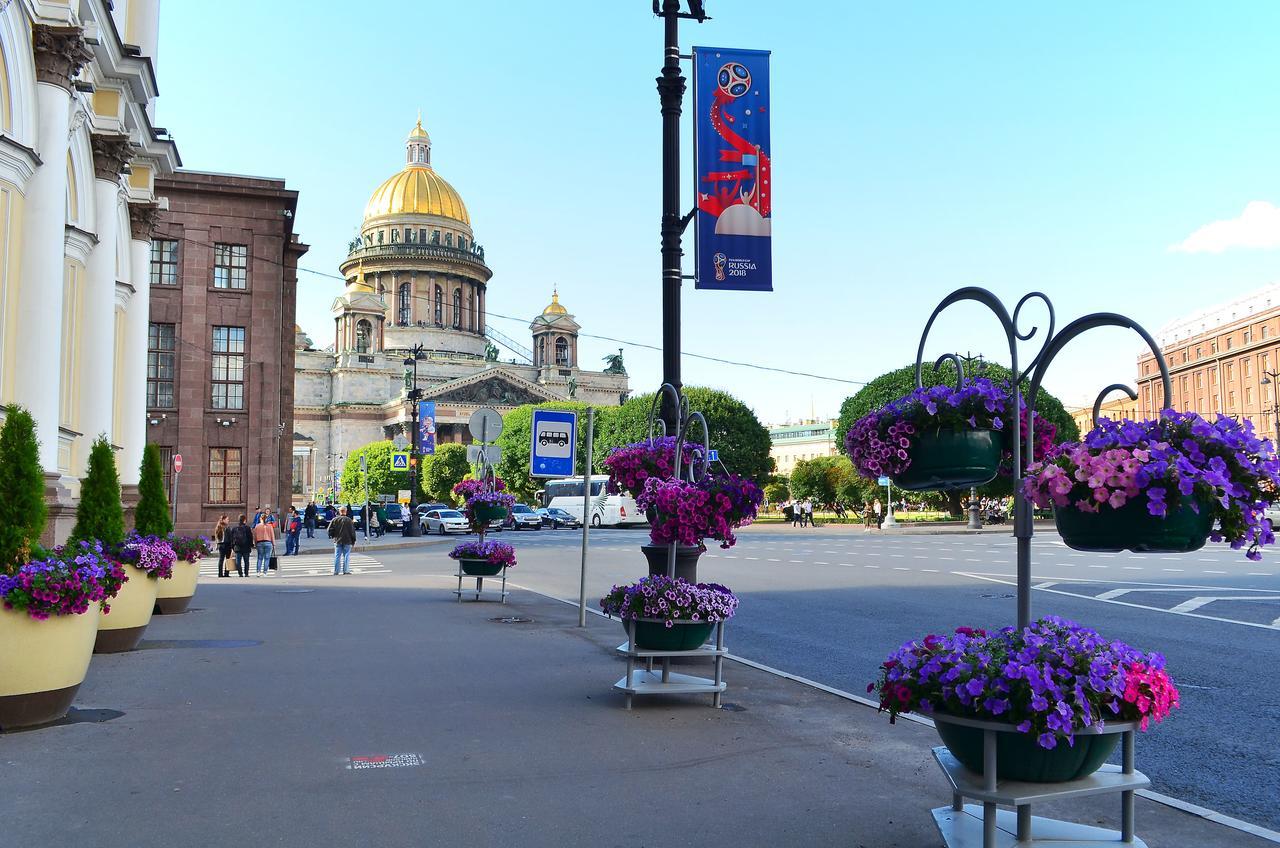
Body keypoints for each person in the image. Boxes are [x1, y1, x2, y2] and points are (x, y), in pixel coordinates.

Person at [329, 506, 357, 575]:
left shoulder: (335, 519)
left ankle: (336, 571)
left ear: (339, 511)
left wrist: (333, 536)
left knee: (337, 556)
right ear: (346, 511)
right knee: (346, 556)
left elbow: (329, 530)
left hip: (338, 540)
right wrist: (353, 541)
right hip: (347, 540)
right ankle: (346, 570)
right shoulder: (349, 520)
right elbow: (352, 532)